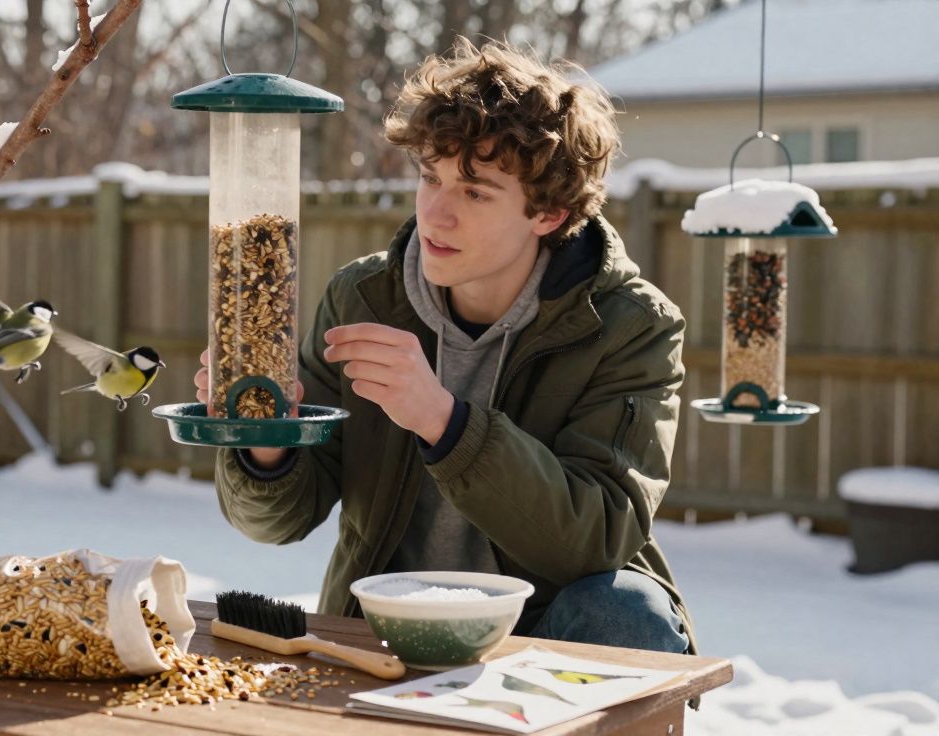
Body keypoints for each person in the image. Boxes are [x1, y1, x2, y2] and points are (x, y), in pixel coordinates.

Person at [195, 38, 694, 654]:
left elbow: (596, 536)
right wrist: (263, 443)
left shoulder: (630, 325)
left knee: (626, 610)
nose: (436, 214)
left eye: (475, 192)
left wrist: (444, 422)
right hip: (385, 618)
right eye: (431, 178)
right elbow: (278, 521)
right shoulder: (363, 297)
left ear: (550, 215)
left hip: (543, 630)